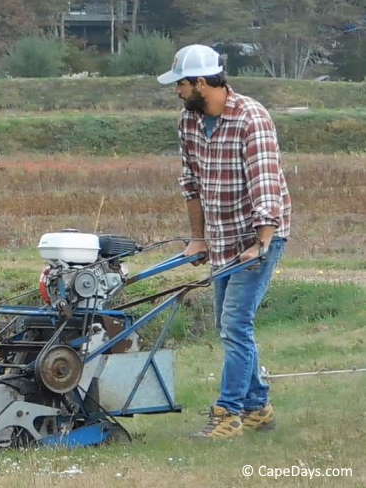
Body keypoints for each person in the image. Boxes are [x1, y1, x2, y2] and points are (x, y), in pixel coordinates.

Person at [157, 44, 292, 439]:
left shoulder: (251, 118)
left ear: (202, 82)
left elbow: (265, 182)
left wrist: (262, 241)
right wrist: (198, 239)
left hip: (258, 237)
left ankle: (228, 413)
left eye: (181, 84)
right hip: (220, 236)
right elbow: (191, 184)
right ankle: (258, 407)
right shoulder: (189, 121)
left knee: (235, 324)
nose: (177, 92)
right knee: (227, 323)